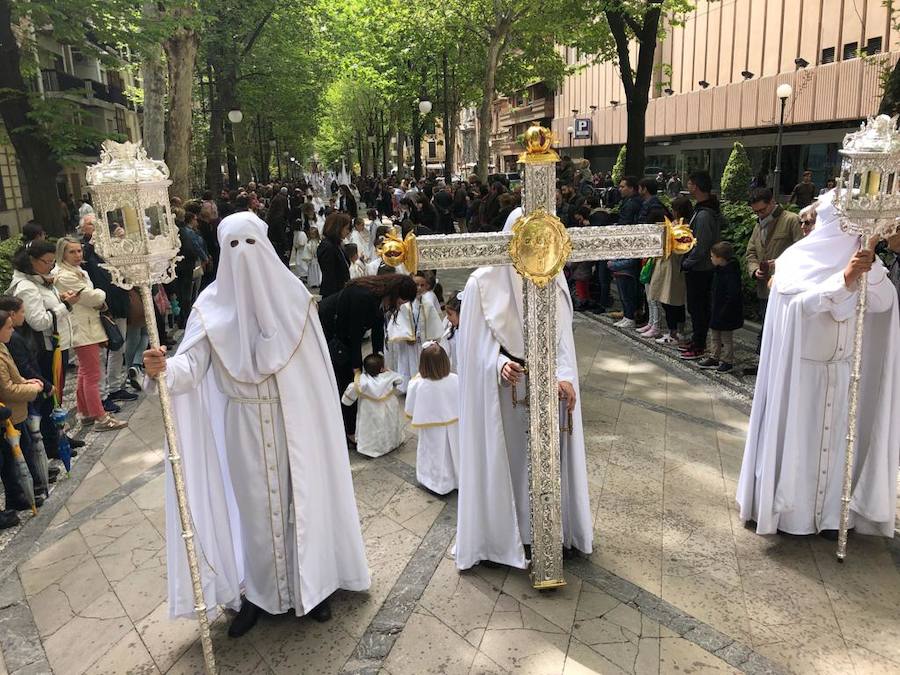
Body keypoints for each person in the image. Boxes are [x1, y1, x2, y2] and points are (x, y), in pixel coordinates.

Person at [142, 211, 370, 637]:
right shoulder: (209, 308)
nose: (242, 255)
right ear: (221, 251)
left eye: (251, 244)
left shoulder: (295, 300)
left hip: (294, 421)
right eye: (233, 246)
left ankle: (313, 588)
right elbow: (191, 367)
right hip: (241, 422)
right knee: (254, 513)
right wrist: (164, 367)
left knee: (299, 502)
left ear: (264, 246)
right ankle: (260, 595)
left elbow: (312, 375)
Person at [737, 192, 899, 539]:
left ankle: (832, 517)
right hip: (801, 374)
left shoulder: (867, 261)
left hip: (844, 371)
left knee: (841, 445)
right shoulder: (796, 260)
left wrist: (865, 271)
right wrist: (842, 281)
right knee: (802, 445)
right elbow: (797, 309)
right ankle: (794, 515)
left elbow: (884, 305)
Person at [455, 209, 592, 570]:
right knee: (511, 462)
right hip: (504, 395)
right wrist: (497, 364)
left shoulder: (554, 276)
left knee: (547, 462)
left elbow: (563, 338)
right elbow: (469, 350)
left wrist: (565, 376)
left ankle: (550, 535)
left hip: (550, 390)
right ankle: (504, 536)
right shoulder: (481, 284)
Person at [318, 274, 417, 439]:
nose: (399, 307)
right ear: (393, 294)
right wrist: (357, 368)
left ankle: (350, 424)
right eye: (400, 302)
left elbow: (378, 328)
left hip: (345, 332)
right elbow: (354, 335)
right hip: (330, 329)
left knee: (351, 376)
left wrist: (378, 359)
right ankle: (349, 431)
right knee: (348, 380)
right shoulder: (363, 297)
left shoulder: (380, 298)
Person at [8, 241, 79, 459]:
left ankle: (60, 437)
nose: (50, 266)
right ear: (32, 261)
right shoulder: (26, 287)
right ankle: (52, 443)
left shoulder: (38, 281)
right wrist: (64, 306)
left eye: (52, 261)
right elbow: (39, 321)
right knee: (49, 396)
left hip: (56, 345)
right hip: (46, 349)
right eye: (46, 262)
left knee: (55, 395)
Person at [54, 238, 127, 431]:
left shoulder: (80, 271)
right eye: (72, 252)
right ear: (62, 254)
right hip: (81, 328)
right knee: (92, 374)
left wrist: (95, 298)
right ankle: (100, 417)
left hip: (89, 325)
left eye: (79, 251)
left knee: (85, 372)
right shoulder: (64, 276)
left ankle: (85, 412)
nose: (78, 255)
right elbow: (92, 297)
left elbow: (89, 297)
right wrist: (100, 294)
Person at [745, 188, 803, 350]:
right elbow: (750, 252)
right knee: (767, 329)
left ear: (772, 203)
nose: (759, 214)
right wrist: (755, 270)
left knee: (779, 334)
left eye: (762, 210)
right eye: (756, 212)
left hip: (784, 288)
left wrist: (779, 263)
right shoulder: (759, 225)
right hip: (764, 287)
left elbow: (803, 252)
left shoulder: (791, 220)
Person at [0, 310, 45, 510]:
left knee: (25, 450)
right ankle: (19, 495)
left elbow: (14, 376)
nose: (13, 330)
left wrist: (27, 381)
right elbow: (6, 389)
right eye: (8, 327)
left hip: (19, 411)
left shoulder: (3, 346)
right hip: (10, 415)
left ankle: (31, 487)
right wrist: (32, 389)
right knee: (13, 459)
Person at [405, 343, 459, 495]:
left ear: (423, 364)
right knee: (454, 451)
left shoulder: (418, 384)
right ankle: (456, 478)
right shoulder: (455, 379)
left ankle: (435, 481)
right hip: (454, 425)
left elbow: (410, 408)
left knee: (433, 453)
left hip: (431, 428)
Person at [680, 171, 722, 360]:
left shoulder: (704, 214)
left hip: (700, 268)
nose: (687, 186)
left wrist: (688, 262)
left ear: (695, 186)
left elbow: (702, 244)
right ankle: (697, 339)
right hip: (698, 266)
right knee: (696, 307)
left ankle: (699, 344)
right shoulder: (703, 209)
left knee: (699, 307)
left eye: (689, 183)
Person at [340, 353, 404, 458]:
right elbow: (400, 379)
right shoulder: (389, 376)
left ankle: (372, 449)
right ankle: (392, 442)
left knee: (373, 429)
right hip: (389, 408)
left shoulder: (362, 382)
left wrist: (345, 400)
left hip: (370, 411)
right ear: (382, 369)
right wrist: (388, 372)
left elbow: (347, 397)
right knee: (389, 425)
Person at [649, 197, 691, 346]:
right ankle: (676, 331)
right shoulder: (678, 225)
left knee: (672, 301)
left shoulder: (682, 227)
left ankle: (675, 332)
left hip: (673, 267)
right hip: (669, 266)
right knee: (670, 300)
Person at [699, 241, 743, 373]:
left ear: (720, 258)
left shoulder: (731, 273)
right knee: (714, 335)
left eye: (712, 256)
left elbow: (733, 295)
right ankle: (714, 357)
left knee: (726, 338)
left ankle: (727, 361)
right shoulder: (718, 270)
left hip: (726, 311)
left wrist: (724, 310)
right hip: (717, 308)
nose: (711, 258)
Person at [317, 213, 351, 298]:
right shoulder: (328, 247)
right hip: (333, 293)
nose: (348, 232)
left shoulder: (337, 244)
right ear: (338, 228)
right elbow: (329, 276)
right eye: (346, 228)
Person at [441, 291, 461, 372]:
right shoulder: (450, 331)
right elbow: (444, 353)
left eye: (450, 314)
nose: (447, 318)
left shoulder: (472, 335)